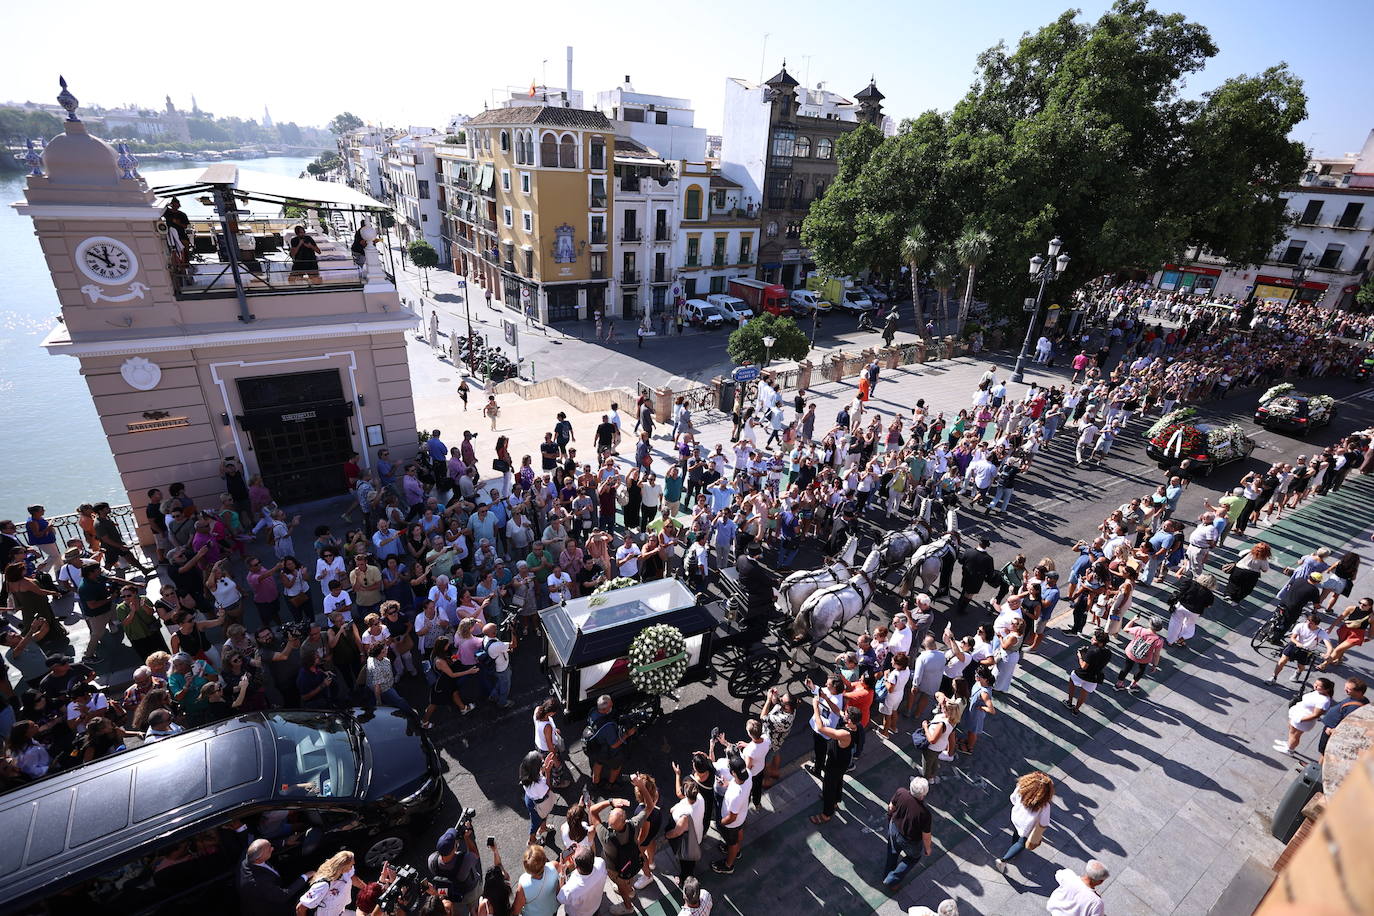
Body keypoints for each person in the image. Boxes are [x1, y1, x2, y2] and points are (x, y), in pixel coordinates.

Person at [808, 697, 859, 826]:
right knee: (837, 781)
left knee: (828, 787)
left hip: (836, 764)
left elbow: (820, 728)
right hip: (841, 761)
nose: (843, 715)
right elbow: (837, 711)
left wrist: (815, 707)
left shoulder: (844, 733)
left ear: (850, 720)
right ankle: (835, 801)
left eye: (846, 715)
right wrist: (825, 699)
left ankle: (827, 814)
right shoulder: (854, 726)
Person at [993, 771, 1054, 873]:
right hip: (1027, 826)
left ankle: (1013, 845)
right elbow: (1044, 822)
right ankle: (1003, 860)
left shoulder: (1021, 788)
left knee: (1017, 832)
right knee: (1022, 843)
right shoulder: (1044, 805)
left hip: (1016, 816)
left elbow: (1012, 798)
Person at [236, 839, 312, 916]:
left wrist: (284, 842)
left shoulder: (247, 853)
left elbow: (264, 846)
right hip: (268, 907)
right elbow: (282, 896)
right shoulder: (260, 882)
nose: (272, 848)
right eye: (269, 850)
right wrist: (305, 877)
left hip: (273, 883)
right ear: (259, 859)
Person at [883, 776, 934, 889]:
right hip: (910, 840)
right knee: (913, 858)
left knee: (892, 852)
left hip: (894, 828)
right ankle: (891, 880)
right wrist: (928, 848)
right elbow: (926, 835)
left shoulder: (901, 792)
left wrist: (890, 818)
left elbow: (891, 807)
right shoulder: (925, 813)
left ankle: (888, 876)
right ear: (924, 794)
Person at [428, 825, 484, 914]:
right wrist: (466, 837)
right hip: (470, 893)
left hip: (452, 895)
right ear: (454, 848)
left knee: (456, 912)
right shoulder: (465, 860)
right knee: (475, 910)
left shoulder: (432, 860)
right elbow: (474, 854)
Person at [584, 695, 636, 790]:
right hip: (606, 751)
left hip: (595, 746)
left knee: (598, 763)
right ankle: (610, 784)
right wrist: (628, 734)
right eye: (610, 705)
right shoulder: (608, 726)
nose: (612, 704)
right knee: (616, 766)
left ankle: (595, 782)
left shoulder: (593, 711)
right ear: (604, 710)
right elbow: (614, 745)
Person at [1276, 676, 1334, 756]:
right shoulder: (1317, 692)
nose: (1315, 686)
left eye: (1318, 686)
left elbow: (1316, 715)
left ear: (1326, 689)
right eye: (1315, 684)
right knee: (1291, 730)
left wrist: (1301, 719)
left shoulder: (1324, 701)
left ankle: (1290, 750)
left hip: (1304, 720)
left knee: (1296, 735)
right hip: (1297, 714)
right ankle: (1289, 743)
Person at [1271, 612, 1333, 684]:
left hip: (1307, 651)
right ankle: (1274, 677)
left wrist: (1327, 654)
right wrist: (1298, 643)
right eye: (1307, 621)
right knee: (1282, 660)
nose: (1308, 624)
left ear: (1316, 624)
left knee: (1301, 666)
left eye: (1311, 623)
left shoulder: (1321, 632)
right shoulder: (1300, 626)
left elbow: (1329, 646)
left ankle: (1298, 672)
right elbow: (1293, 638)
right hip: (1294, 645)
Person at [298, 850, 365, 916]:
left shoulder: (346, 872)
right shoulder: (323, 885)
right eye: (351, 865)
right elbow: (300, 908)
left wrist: (369, 890)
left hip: (340, 911)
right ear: (343, 866)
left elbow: (354, 879)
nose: (352, 867)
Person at [1114, 615, 1166, 692]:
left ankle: (1119, 684)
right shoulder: (1159, 640)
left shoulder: (1140, 630)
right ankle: (1133, 685)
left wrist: (1133, 619)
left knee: (1126, 667)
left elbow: (1125, 629)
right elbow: (1156, 654)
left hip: (1131, 653)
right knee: (1140, 670)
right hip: (1144, 658)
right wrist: (1155, 665)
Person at [1065, 629, 1112, 715]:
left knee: (1072, 680)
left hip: (1082, 674)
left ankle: (1069, 702)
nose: (1091, 640)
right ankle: (1076, 709)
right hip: (1094, 677)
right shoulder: (1108, 653)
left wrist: (1080, 656)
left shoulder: (1092, 652)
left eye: (1094, 639)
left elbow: (1083, 666)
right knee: (1084, 693)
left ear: (1100, 642)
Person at [556, 844, 609, 916]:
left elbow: (560, 898)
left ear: (576, 866)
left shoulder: (571, 888)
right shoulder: (601, 863)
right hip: (596, 907)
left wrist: (562, 874)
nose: (576, 847)